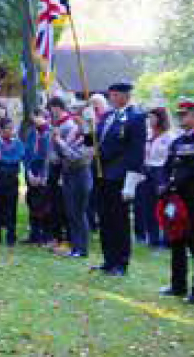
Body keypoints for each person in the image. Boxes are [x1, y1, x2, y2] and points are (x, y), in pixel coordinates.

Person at [156, 101, 194, 303]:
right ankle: (177, 285)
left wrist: (173, 183)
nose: (181, 118)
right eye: (179, 115)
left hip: (192, 198)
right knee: (176, 240)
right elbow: (166, 165)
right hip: (175, 197)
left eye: (186, 114)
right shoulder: (178, 141)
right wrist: (164, 183)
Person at [94, 82, 146, 276]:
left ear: (125, 96)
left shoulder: (135, 118)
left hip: (120, 175)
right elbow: (94, 141)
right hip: (102, 174)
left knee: (119, 221)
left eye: (115, 95)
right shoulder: (107, 116)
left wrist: (131, 182)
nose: (111, 98)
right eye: (110, 95)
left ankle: (121, 263)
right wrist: (87, 125)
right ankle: (108, 260)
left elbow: (136, 152)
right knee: (105, 219)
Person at [51, 97, 93, 259]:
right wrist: (56, 142)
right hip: (67, 175)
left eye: (79, 114)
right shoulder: (73, 133)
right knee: (71, 213)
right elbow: (62, 155)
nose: (75, 116)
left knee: (79, 212)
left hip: (80, 176)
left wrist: (60, 142)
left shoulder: (90, 138)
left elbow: (78, 158)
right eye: (74, 112)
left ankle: (82, 248)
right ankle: (75, 246)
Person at [139, 107, 173, 248]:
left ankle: (167, 239)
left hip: (162, 171)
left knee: (164, 206)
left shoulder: (170, 137)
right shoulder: (147, 135)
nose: (150, 120)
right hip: (147, 170)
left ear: (161, 118)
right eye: (149, 117)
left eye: (153, 117)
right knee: (148, 205)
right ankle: (152, 238)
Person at [0, 117, 25, 245]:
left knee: (11, 208)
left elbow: (17, 158)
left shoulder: (18, 143)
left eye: (12, 128)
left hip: (11, 179)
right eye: (7, 128)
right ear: (1, 130)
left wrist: (2, 158)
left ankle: (11, 235)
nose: (10, 131)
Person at [24, 109, 55, 245]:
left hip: (44, 173)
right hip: (32, 171)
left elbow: (49, 156)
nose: (34, 120)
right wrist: (28, 172)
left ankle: (46, 235)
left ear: (45, 118)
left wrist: (43, 176)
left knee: (45, 205)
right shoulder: (32, 132)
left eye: (37, 117)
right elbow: (27, 153)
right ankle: (34, 234)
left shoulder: (50, 133)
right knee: (32, 203)